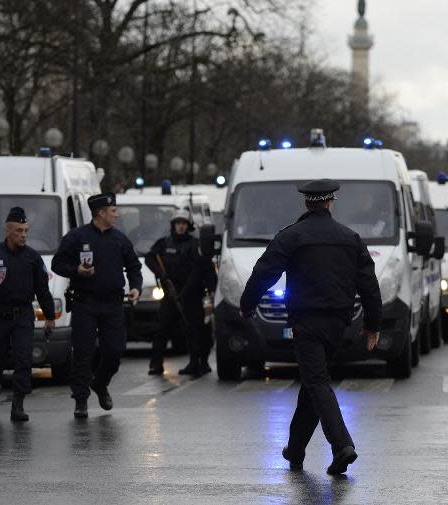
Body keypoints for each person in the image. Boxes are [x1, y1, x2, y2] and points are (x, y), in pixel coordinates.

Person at [240, 179, 382, 475]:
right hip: (338, 324)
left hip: (306, 322)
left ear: (307, 202)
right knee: (312, 382)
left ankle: (342, 444)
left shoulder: (291, 236)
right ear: (330, 202)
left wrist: (247, 304)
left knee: (316, 382)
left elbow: (264, 272)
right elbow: (368, 284)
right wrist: (373, 325)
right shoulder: (350, 237)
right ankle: (295, 450)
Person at [51, 193, 142, 419]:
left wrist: (136, 287)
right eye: (113, 211)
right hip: (85, 303)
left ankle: (100, 384)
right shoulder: (76, 237)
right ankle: (80, 400)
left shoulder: (120, 239)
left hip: (113, 304)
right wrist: (77, 271)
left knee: (114, 351)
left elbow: (134, 266)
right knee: (83, 352)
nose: (117, 214)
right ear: (101, 213)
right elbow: (58, 264)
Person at [0, 207, 55, 422]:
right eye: (18, 231)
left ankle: (18, 404)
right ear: (8, 231)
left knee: (24, 360)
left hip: (23, 316)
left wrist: (50, 317)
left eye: (26, 230)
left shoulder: (33, 258)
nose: (23, 235)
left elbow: (43, 290)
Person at [145, 208, 216, 376]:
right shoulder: (164, 242)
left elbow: (203, 268)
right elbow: (150, 258)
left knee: (195, 330)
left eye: (184, 223)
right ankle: (156, 364)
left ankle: (198, 363)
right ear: (173, 225)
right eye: (178, 223)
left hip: (191, 294)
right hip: (171, 293)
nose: (181, 226)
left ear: (188, 225)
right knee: (162, 329)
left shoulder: (195, 244)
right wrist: (161, 275)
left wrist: (209, 290)